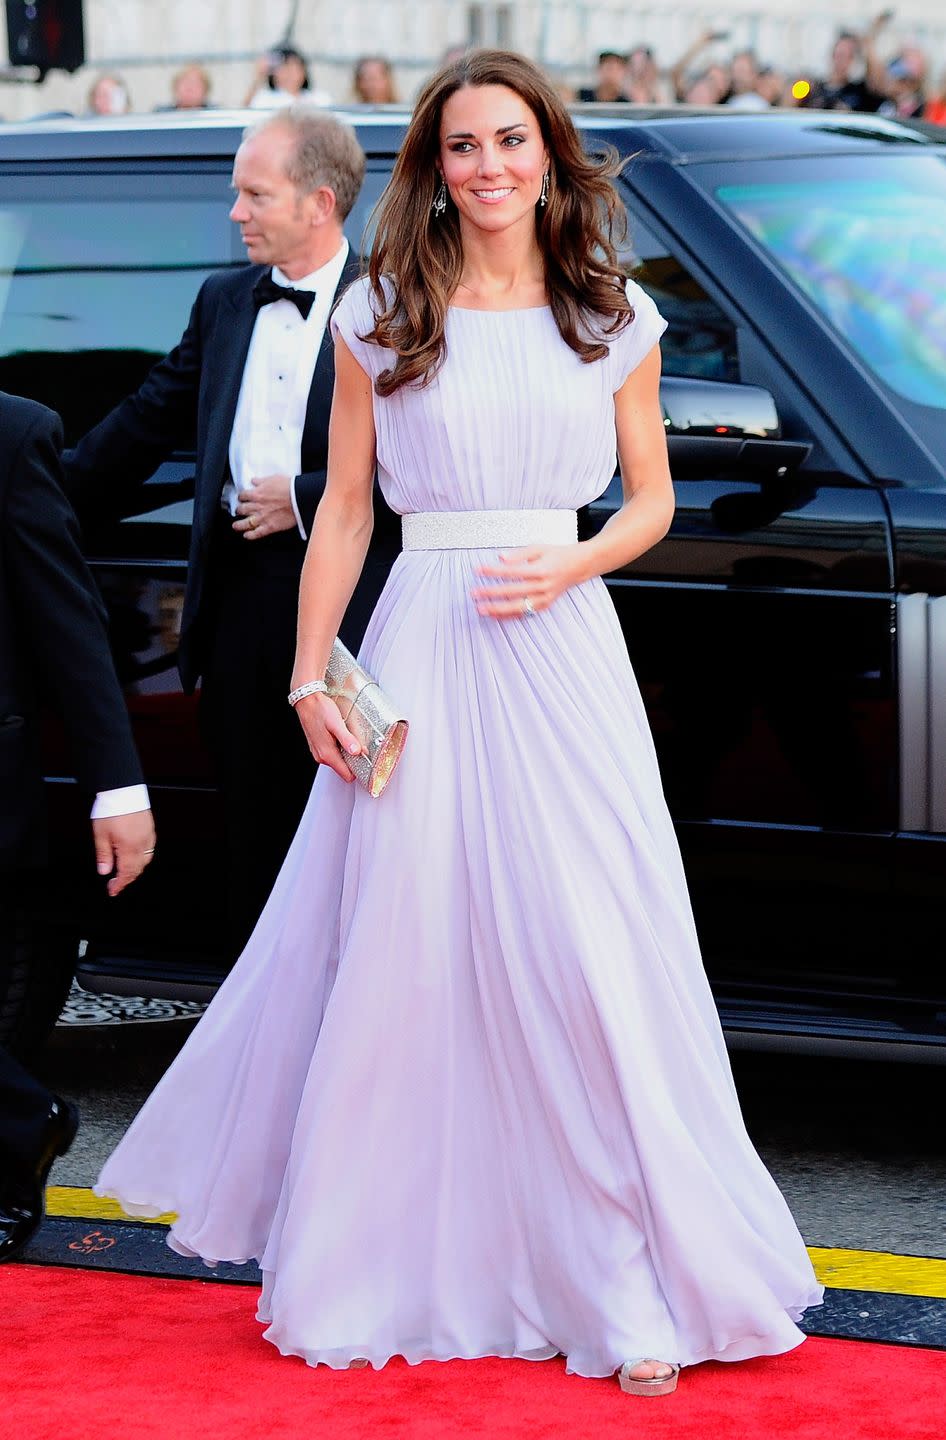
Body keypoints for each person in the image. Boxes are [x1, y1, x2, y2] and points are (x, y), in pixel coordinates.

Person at [93, 48, 823, 1391]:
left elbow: (650, 503)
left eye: (509, 141)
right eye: (461, 146)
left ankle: (617, 1282)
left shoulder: (613, 316)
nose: (487, 167)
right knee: (408, 956)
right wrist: (313, 671)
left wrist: (577, 559)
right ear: (431, 167)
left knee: (589, 954)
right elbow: (349, 510)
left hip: (560, 641)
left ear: (550, 154)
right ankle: (395, 1260)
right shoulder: (381, 308)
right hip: (422, 636)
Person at [63, 106, 399, 958]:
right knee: (253, 838)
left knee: (363, 841)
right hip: (242, 609)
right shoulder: (222, 301)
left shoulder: (391, 306)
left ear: (320, 202)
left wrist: (304, 493)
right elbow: (145, 422)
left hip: (364, 614)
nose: (235, 213)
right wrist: (35, 492)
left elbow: (435, 466)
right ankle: (264, 1041)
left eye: (255, 194)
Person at [0, 391, 155, 1264]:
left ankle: (19, 1126)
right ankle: (23, 1120)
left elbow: (68, 622)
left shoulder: (16, 434)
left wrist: (118, 785)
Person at [244, 45, 330, 109]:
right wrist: (259, 77)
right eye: (285, 68)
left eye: (296, 68)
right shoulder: (265, 99)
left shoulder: (320, 99)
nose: (290, 74)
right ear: (273, 74)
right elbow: (245, 112)